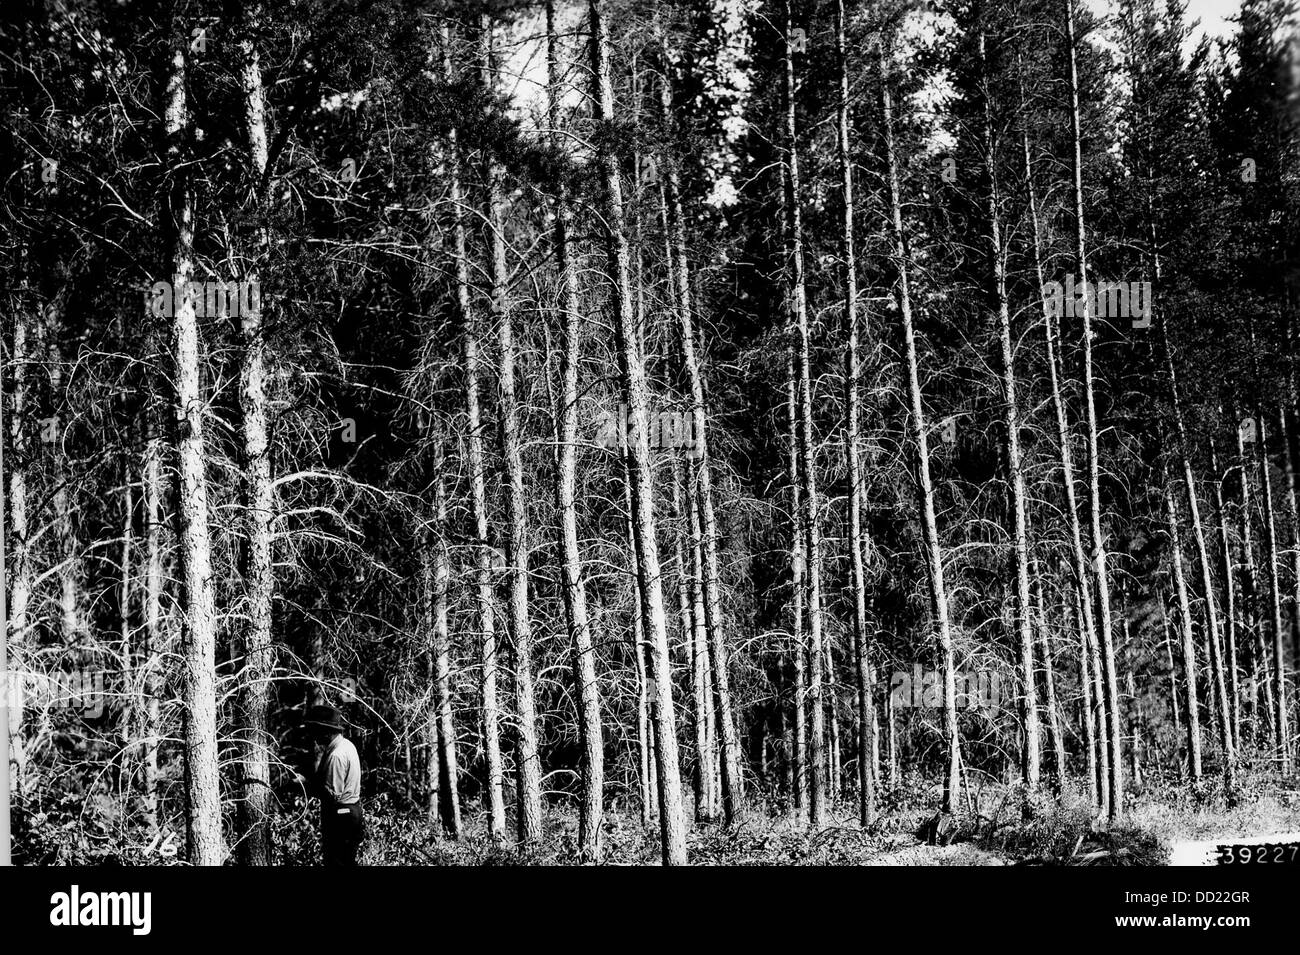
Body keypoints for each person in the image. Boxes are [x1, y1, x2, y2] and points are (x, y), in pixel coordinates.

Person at [302, 704, 364, 866]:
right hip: (351, 813)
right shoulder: (347, 746)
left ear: (326, 731)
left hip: (341, 817)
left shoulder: (336, 755)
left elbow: (332, 794)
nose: (314, 735)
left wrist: (304, 784)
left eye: (316, 729)